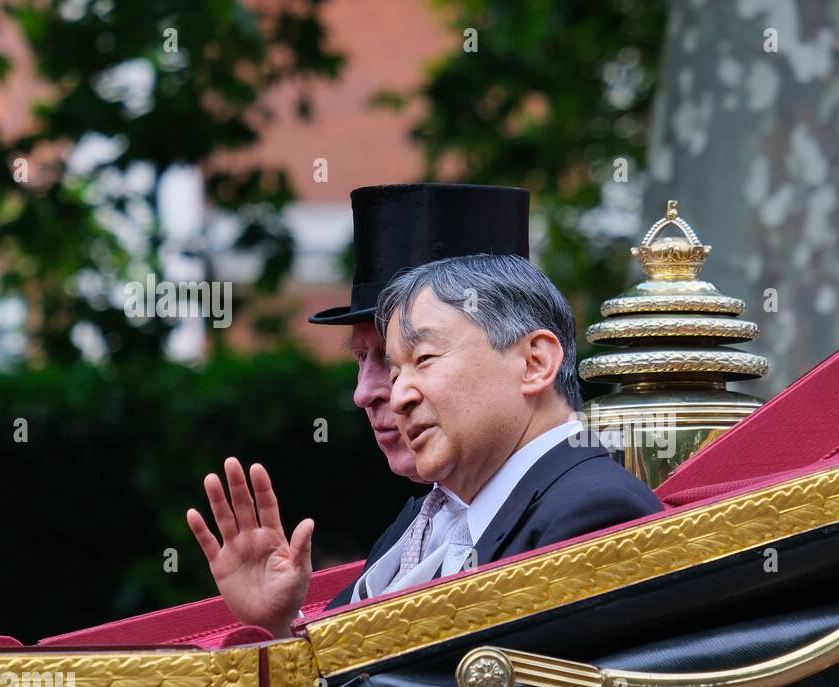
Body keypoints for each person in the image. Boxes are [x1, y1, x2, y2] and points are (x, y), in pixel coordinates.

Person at [187, 183, 531, 637]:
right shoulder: (414, 524)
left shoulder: (576, 516)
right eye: (362, 358)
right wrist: (280, 624)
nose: (365, 393)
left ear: (530, 361)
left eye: (409, 357)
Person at [347, 252, 663, 602]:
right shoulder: (422, 524)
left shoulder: (596, 512)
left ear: (535, 362)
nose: (398, 398)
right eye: (396, 374)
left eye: (424, 359)